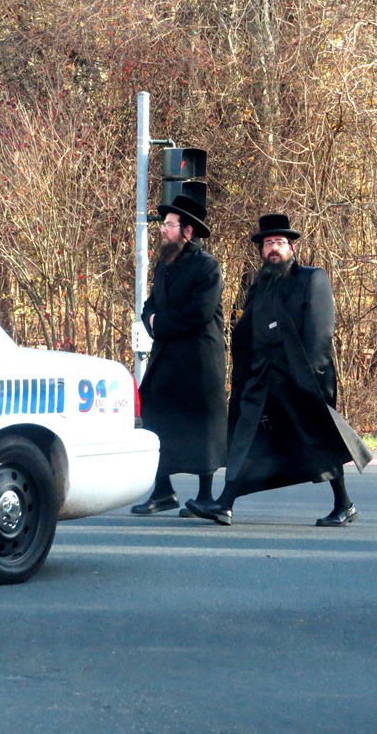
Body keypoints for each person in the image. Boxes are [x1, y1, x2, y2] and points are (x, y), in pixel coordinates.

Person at [186, 213, 371, 526]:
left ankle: (344, 503)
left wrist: (311, 378)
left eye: (280, 242)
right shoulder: (259, 285)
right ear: (261, 250)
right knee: (246, 438)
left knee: (316, 438)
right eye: (268, 243)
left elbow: (320, 333)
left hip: (301, 379)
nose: (274, 248)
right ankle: (224, 503)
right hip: (262, 380)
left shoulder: (312, 279)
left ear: (291, 248)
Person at [132, 195, 227, 515]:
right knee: (153, 414)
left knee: (202, 425)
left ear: (187, 231)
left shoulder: (207, 266)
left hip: (200, 360)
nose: (163, 229)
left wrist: (159, 323)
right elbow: (150, 305)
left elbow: (199, 313)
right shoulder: (164, 264)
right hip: (167, 356)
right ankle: (162, 491)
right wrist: (151, 320)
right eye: (163, 224)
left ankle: (206, 496)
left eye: (170, 225)